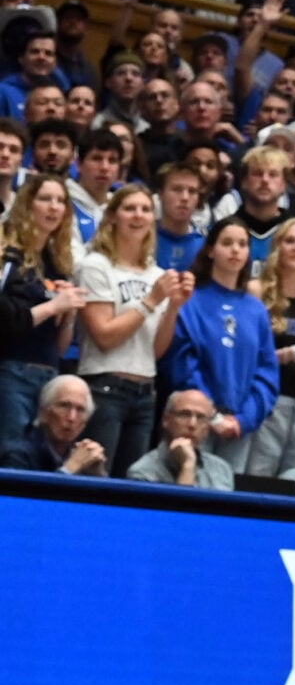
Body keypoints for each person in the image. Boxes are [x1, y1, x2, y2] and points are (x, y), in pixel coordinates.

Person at [75, 184, 183, 475]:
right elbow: (104, 336)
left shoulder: (157, 274)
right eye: (129, 208)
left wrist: (173, 307)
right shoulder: (95, 266)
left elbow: (156, 351)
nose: (138, 215)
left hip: (145, 392)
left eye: (146, 209)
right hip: (104, 386)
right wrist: (151, 301)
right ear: (112, 216)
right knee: (96, 478)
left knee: (132, 483)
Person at [168, 216, 280, 472]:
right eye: (227, 243)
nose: (235, 250)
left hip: (239, 427)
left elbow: (266, 372)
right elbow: (184, 362)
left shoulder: (256, 310)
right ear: (210, 250)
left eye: (242, 244)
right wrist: (211, 415)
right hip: (196, 421)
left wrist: (244, 419)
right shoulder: (191, 300)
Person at [0, 172, 83, 447]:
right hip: (11, 370)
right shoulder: (7, 253)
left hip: (49, 373)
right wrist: (52, 306)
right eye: (45, 199)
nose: (54, 207)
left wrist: (68, 312)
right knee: (10, 455)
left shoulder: (57, 261)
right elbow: (6, 317)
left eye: (60, 201)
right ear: (27, 204)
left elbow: (60, 347)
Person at [244, 216, 295, 476]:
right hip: (266, 400)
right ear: (277, 246)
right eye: (290, 241)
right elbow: (246, 359)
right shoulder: (256, 291)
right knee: (257, 481)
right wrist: (292, 354)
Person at [128, 389, 235, 492]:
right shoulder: (142, 472)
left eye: (201, 417)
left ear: (208, 427)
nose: (192, 424)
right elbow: (181, 510)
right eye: (184, 414)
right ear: (166, 420)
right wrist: (187, 465)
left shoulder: (222, 470)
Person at [0, 372, 107, 474]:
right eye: (64, 406)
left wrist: (98, 475)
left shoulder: (83, 455)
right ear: (43, 413)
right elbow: (23, 492)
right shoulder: (17, 454)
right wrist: (70, 467)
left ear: (85, 422)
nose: (72, 418)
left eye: (80, 410)